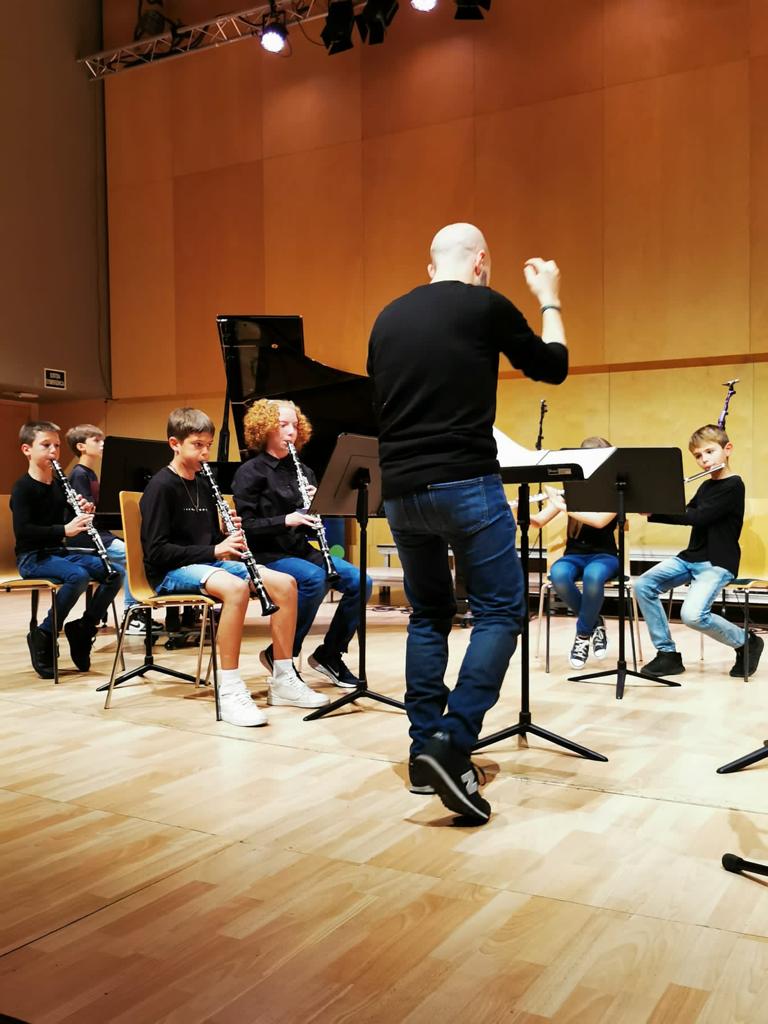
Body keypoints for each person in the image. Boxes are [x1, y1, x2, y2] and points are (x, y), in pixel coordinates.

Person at [367, 222, 569, 824]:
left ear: (431, 266)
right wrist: (550, 297)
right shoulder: (486, 304)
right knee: (502, 611)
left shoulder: (387, 318)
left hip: (400, 491)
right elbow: (553, 367)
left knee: (429, 613)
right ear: (481, 262)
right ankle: (453, 744)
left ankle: (423, 749)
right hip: (466, 483)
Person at [140, 407, 328, 727]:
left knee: (285, 584)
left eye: (208, 445)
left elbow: (208, 538)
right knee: (236, 588)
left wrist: (225, 536)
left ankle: (283, 678)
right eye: (197, 445)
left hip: (206, 562)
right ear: (174, 443)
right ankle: (229, 688)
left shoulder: (203, 481)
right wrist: (216, 549)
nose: (204, 453)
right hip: (170, 571)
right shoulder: (161, 486)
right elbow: (157, 551)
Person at [232, 399, 372, 687]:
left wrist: (317, 508)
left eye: (295, 425)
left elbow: (308, 528)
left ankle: (329, 654)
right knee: (314, 579)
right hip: (266, 554)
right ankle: (283, 653)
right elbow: (245, 527)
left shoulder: (304, 472)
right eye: (283, 425)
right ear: (265, 428)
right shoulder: (250, 472)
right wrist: (287, 520)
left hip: (299, 550)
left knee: (361, 581)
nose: (291, 431)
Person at [634, 423, 764, 679]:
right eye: (698, 456)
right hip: (691, 557)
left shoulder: (734, 485)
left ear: (727, 449)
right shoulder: (706, 487)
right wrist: (656, 502)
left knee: (692, 616)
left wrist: (656, 512)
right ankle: (667, 654)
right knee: (643, 585)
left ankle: (746, 641)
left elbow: (699, 517)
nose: (704, 460)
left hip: (717, 562)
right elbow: (687, 509)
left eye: (709, 452)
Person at [11, 420, 124, 678]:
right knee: (79, 576)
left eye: (57, 446)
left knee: (114, 572)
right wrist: (64, 530)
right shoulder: (23, 488)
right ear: (27, 450)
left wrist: (83, 511)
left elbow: (65, 519)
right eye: (46, 445)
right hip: (32, 557)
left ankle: (84, 628)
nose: (53, 451)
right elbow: (25, 530)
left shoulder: (60, 485)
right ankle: (45, 633)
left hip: (57, 552)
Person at [529, 438, 618, 669]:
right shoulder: (570, 490)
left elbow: (599, 522)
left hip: (604, 556)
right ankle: (594, 621)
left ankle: (582, 636)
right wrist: (513, 509)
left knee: (593, 576)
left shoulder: (615, 491)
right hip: (574, 555)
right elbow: (539, 521)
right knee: (557, 575)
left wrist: (562, 506)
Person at [65, 423, 160, 637]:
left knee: (133, 553)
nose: (102, 445)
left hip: (99, 533)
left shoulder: (90, 474)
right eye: (96, 441)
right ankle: (131, 614)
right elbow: (84, 512)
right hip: (85, 538)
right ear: (81, 446)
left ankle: (135, 610)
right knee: (131, 555)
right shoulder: (79, 474)